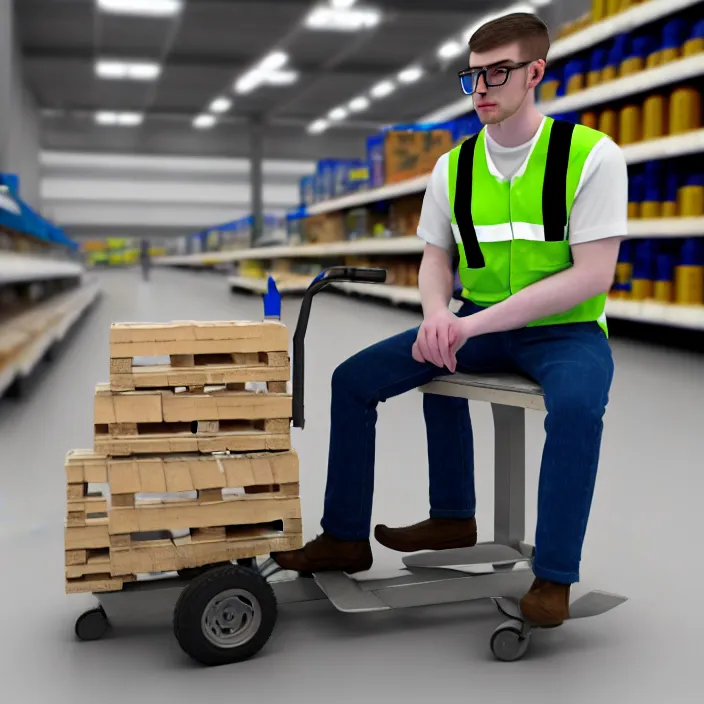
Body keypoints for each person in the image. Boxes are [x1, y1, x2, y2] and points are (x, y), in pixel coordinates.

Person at [272, 11, 628, 627]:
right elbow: (435, 259)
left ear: (534, 72)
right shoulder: (452, 167)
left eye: (498, 72)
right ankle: (361, 534)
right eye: (473, 76)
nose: (482, 88)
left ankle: (554, 577)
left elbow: (592, 276)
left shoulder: (591, 156)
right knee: (352, 380)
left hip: (567, 333)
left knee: (576, 408)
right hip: (476, 320)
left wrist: (465, 327)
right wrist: (438, 313)